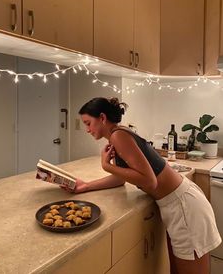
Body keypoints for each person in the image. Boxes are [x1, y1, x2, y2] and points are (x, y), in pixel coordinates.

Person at [61, 97, 222, 274]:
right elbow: (120, 179)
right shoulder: (118, 134)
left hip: (183, 206)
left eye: (88, 123)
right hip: (179, 203)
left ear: (102, 117)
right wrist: (86, 186)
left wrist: (106, 166)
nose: (87, 129)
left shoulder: (118, 136)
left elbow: (149, 181)